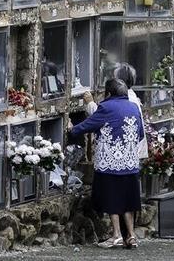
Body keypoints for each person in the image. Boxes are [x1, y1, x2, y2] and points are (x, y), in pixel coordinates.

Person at [70, 78, 144, 249]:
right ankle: (132, 236)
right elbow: (140, 134)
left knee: (113, 199)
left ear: (109, 93)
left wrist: (71, 129)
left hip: (109, 163)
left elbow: (87, 125)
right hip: (130, 162)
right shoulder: (134, 107)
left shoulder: (106, 107)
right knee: (128, 200)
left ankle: (117, 235)